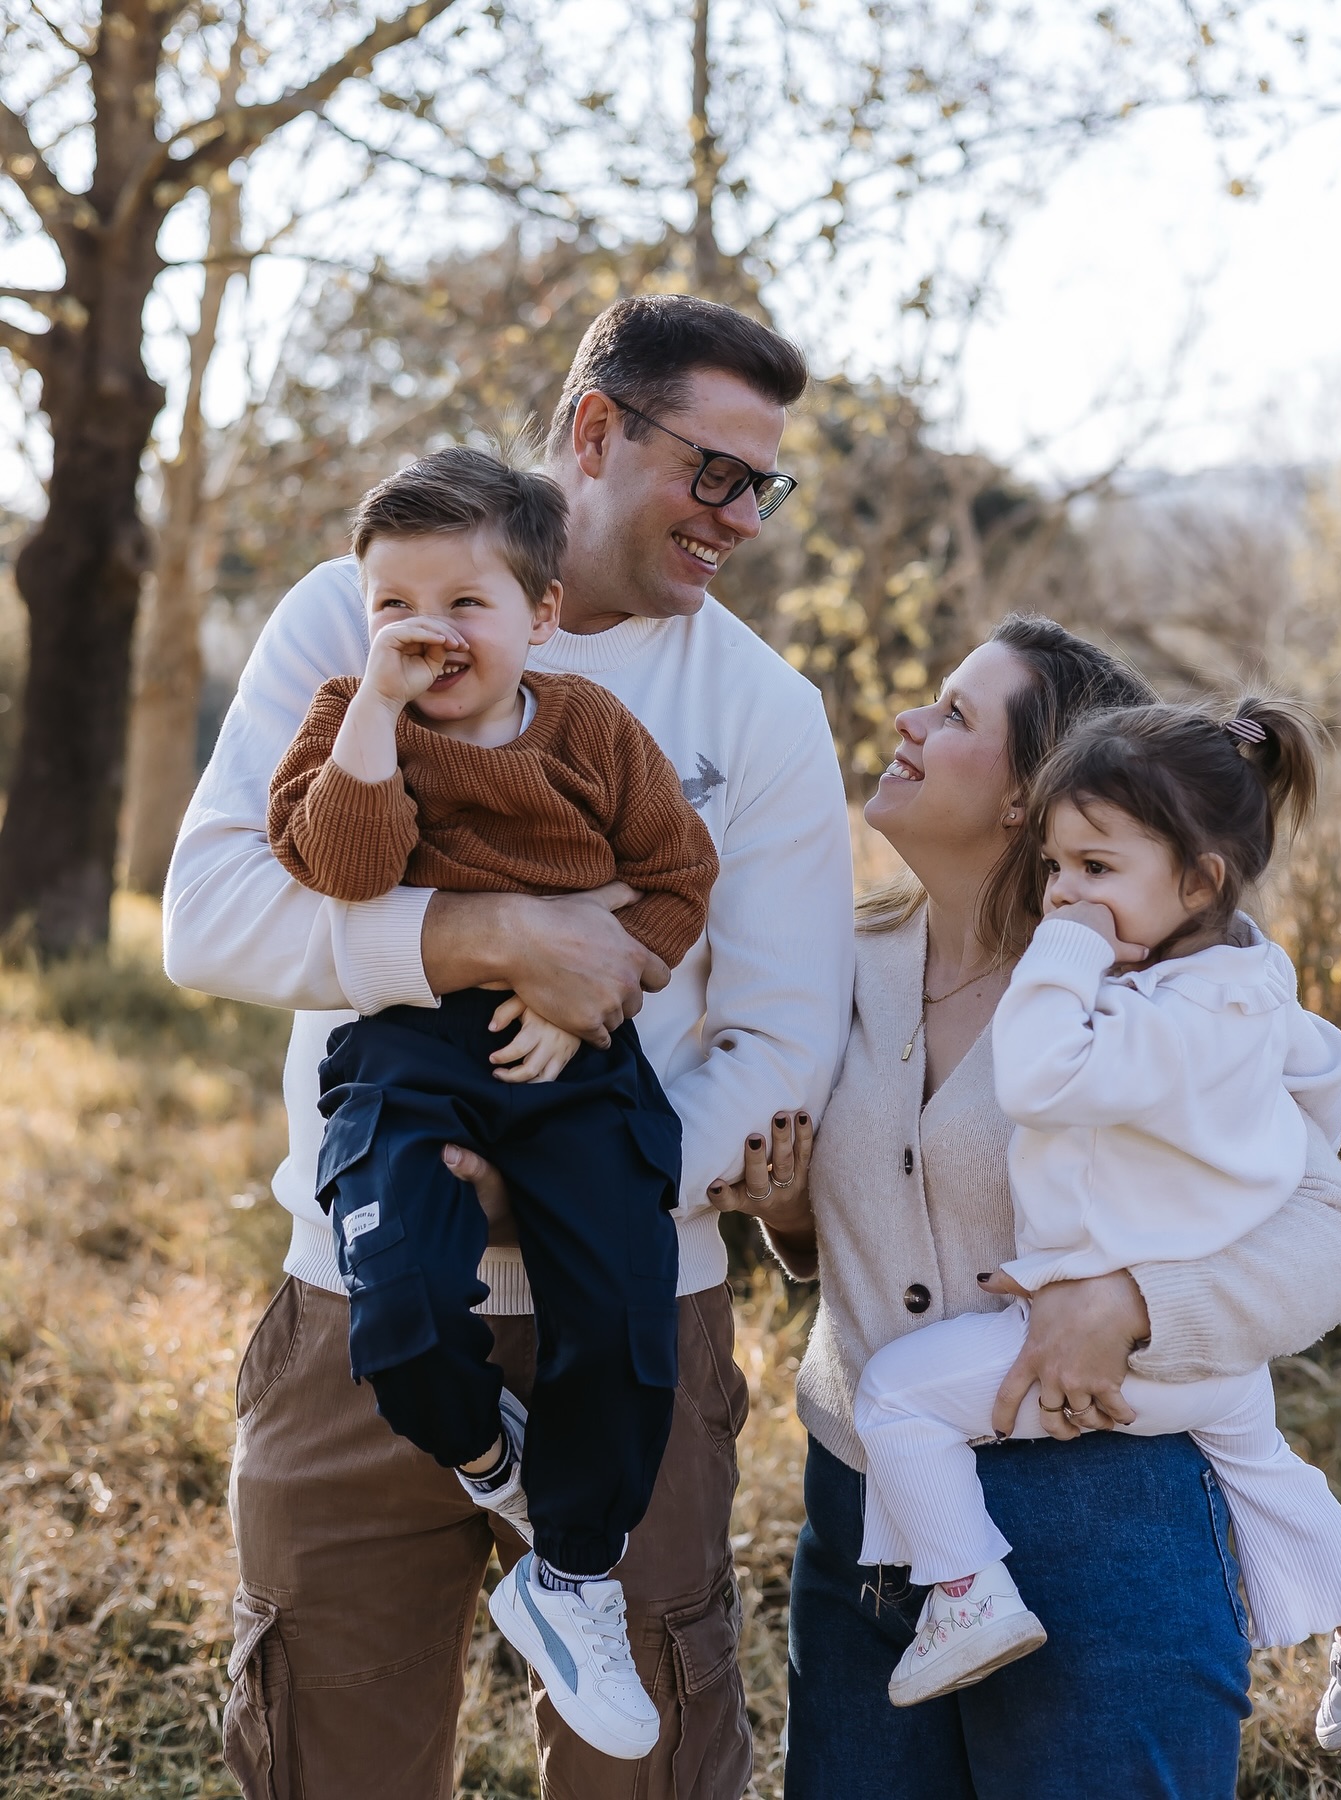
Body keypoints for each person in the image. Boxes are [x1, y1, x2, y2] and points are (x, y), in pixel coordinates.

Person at [163, 295, 855, 1800]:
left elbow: (787, 1039)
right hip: (360, 1294)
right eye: (715, 472)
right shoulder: (355, 619)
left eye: (764, 485)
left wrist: (585, 1175)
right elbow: (209, 917)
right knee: (327, 1753)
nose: (739, 518)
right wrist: (485, 936)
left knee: (651, 1769)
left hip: (633, 1302)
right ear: (596, 430)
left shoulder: (764, 712)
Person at [708, 614, 1341, 1798]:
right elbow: (873, 1213)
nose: (911, 722)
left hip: (1102, 1512)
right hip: (865, 1515)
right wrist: (796, 1222)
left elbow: (1335, 1241)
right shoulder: (835, 962)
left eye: (958, 714)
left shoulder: (1171, 984)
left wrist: (1132, 1303)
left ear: (1036, 795)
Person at [850, 695, 1341, 1749]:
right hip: (1209, 1359)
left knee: (896, 1398)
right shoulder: (1247, 989)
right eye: (1056, 870)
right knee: (1265, 1467)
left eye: (1096, 870)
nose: (1065, 895)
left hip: (1134, 1355)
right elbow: (1324, 1065)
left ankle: (969, 1591)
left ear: (1200, 881)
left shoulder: (1153, 1015)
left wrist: (1063, 956)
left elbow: (1035, 1076)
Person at [266, 444, 722, 1761]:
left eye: (464, 604)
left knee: (625, 1302)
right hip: (405, 1044)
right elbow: (345, 870)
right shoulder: (353, 720)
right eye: (394, 605)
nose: (427, 632)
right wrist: (368, 718)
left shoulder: (591, 735)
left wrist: (591, 984)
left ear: (542, 614)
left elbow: (675, 881)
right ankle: (484, 1453)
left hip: (572, 1046)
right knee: (397, 1298)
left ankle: (573, 1574)